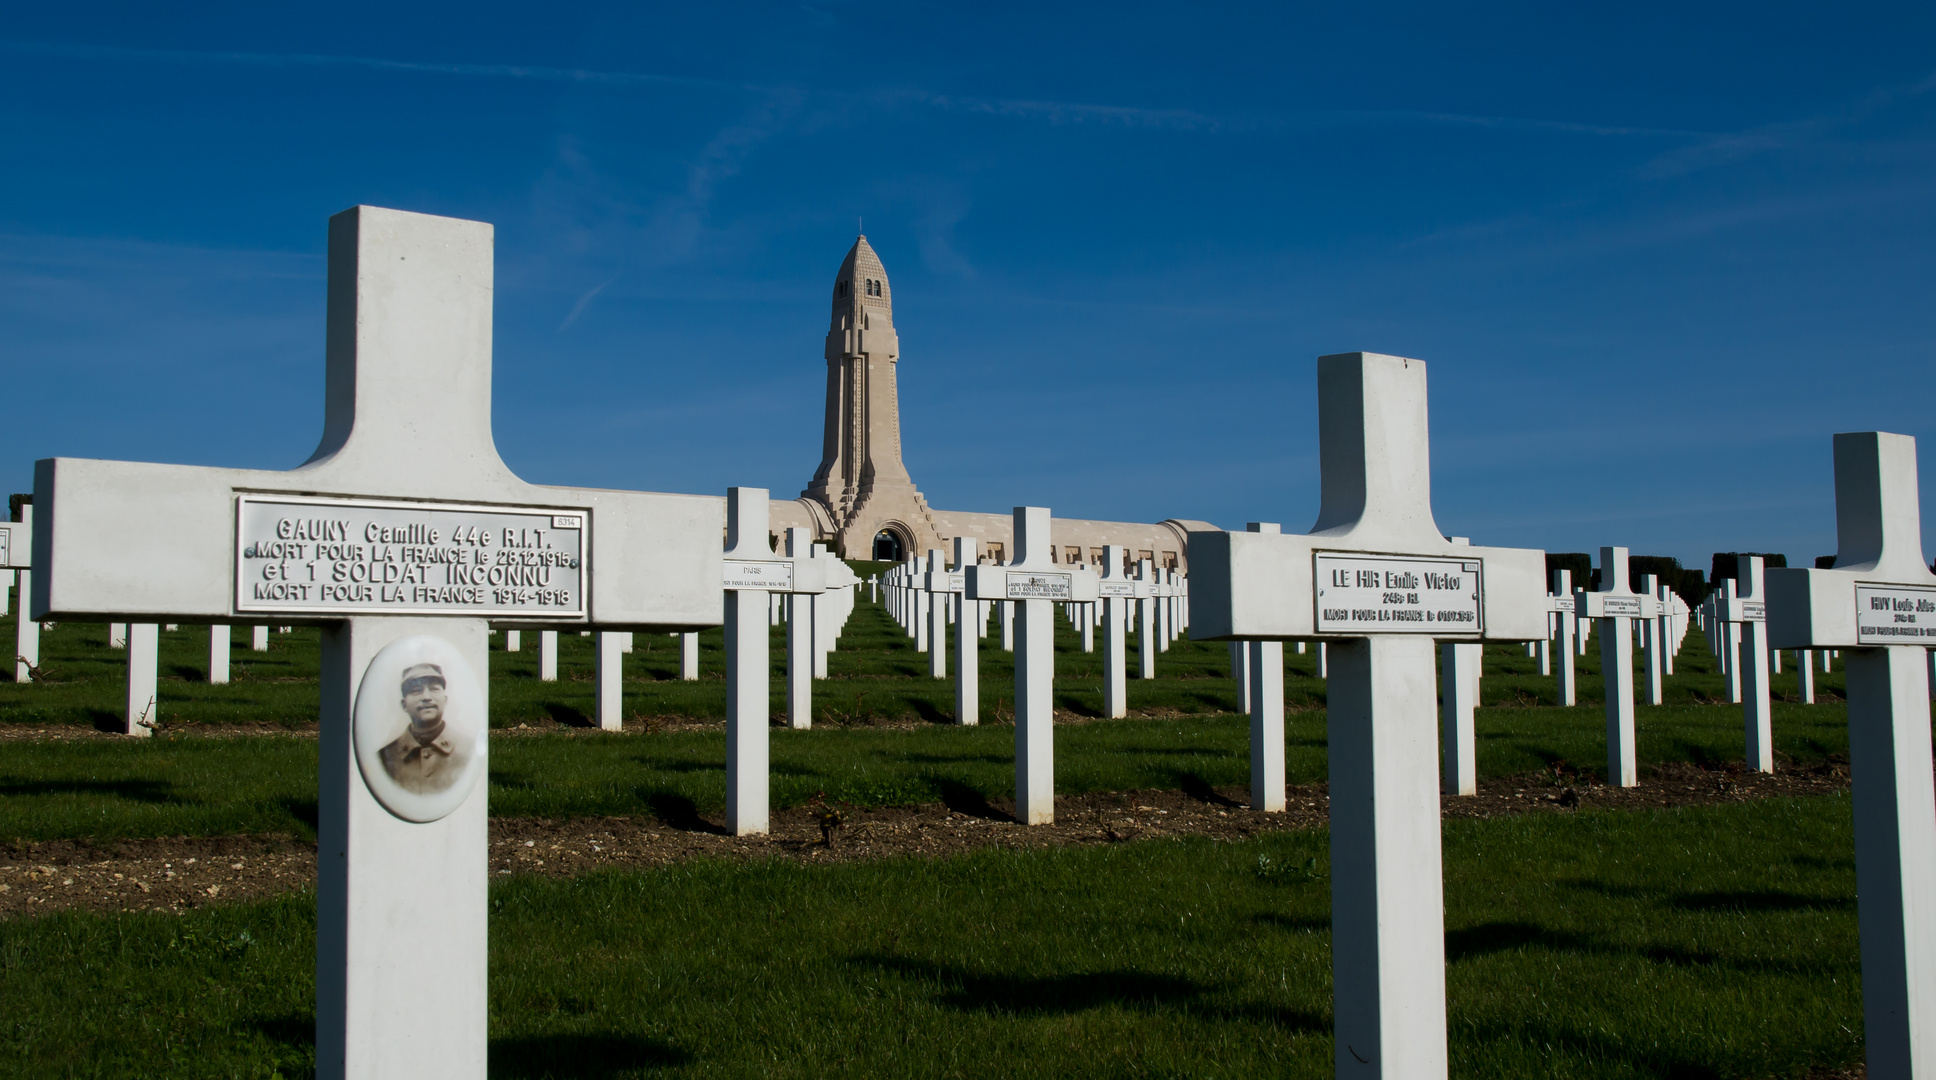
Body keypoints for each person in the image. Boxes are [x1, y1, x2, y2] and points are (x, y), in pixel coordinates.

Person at [379, 662, 468, 794]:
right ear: (404, 705)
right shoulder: (385, 758)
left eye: (434, 689)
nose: (426, 697)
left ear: (445, 700)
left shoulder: (468, 751)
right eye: (416, 691)